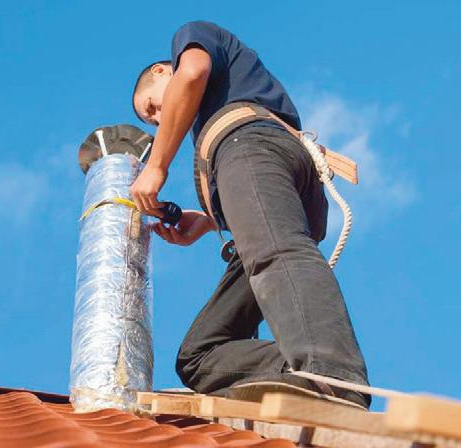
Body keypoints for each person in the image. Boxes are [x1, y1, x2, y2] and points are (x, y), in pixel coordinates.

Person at [130, 21, 371, 409]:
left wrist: (156, 166)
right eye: (154, 120)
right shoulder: (215, 123)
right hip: (272, 181)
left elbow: (192, 74)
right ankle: (297, 374)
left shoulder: (192, 37)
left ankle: (333, 378)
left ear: (161, 71)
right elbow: (265, 198)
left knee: (277, 256)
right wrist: (209, 221)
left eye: (152, 107)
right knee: (200, 355)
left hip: (253, 146)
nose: (160, 119)